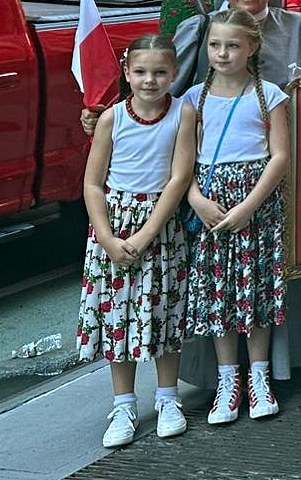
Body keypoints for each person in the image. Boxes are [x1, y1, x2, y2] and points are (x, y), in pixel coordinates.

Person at [172, 0, 301, 386]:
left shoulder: (299, 27)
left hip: (295, 167)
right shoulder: (200, 30)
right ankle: (223, 375)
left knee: (292, 266)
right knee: (223, 278)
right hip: (219, 178)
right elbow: (167, 91)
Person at [78, 34, 197, 448]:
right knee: (119, 319)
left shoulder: (183, 113)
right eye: (141, 72)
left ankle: (167, 399)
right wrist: (108, 237)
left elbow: (180, 177)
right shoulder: (112, 118)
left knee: (163, 312)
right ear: (127, 73)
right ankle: (124, 404)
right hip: (114, 225)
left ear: (174, 74)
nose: (150, 80)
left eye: (160, 72)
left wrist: (148, 233)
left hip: (160, 227)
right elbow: (93, 183)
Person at [183, 9, 291, 424]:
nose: (222, 53)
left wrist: (249, 207)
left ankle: (259, 376)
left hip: (256, 205)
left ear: (252, 47)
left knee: (257, 289)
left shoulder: (269, 95)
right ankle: (228, 379)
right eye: (215, 45)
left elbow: (279, 155)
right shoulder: (195, 98)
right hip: (211, 204)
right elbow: (185, 162)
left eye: (231, 45)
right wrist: (196, 199)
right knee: (218, 293)